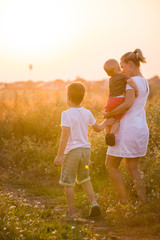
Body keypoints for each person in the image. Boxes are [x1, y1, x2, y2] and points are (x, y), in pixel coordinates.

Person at [54, 82, 115, 218]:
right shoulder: (87, 112)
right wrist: (106, 123)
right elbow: (98, 128)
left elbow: (64, 136)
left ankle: (71, 213)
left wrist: (59, 156)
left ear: (68, 98)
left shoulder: (66, 114)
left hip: (72, 152)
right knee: (84, 178)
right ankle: (94, 203)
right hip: (85, 151)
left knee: (68, 182)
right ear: (82, 97)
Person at [104, 49, 149, 208]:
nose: (121, 70)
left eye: (122, 66)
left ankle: (123, 203)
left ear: (130, 64)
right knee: (133, 168)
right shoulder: (145, 82)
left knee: (110, 165)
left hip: (127, 129)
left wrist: (109, 113)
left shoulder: (132, 81)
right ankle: (143, 203)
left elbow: (128, 104)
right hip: (139, 127)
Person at [103, 59, 139, 146]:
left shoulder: (111, 79)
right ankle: (112, 134)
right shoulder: (123, 76)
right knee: (116, 120)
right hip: (119, 100)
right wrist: (136, 90)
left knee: (108, 119)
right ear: (119, 68)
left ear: (108, 73)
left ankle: (107, 134)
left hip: (110, 101)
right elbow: (130, 81)